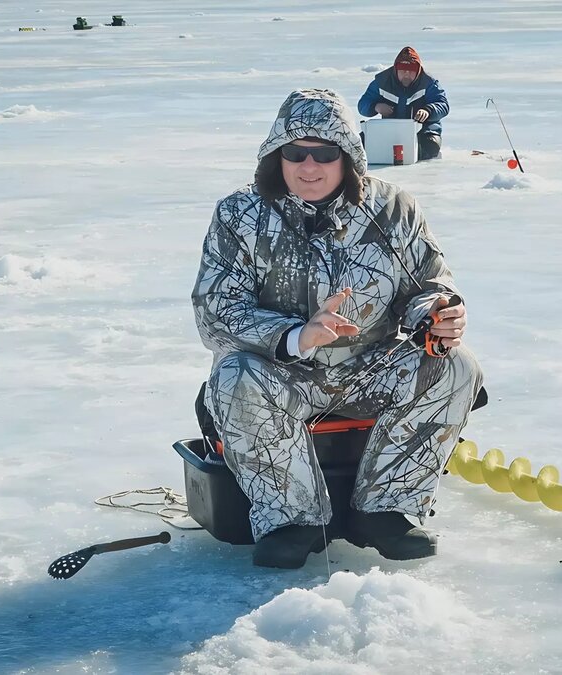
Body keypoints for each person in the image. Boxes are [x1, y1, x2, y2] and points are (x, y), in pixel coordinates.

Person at [192, 89, 482, 569]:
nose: (309, 166)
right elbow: (215, 309)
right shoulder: (238, 215)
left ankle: (386, 510)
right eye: (295, 152)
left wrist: (440, 312)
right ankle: (291, 520)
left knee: (457, 367)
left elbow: (429, 282)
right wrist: (296, 336)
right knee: (233, 376)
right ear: (276, 155)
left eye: (325, 153)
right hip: (279, 372)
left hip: (371, 366)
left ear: (348, 155)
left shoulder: (393, 210)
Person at [358, 46, 449, 161]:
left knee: (431, 146)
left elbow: (443, 104)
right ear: (395, 69)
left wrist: (428, 110)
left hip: (422, 131)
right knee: (359, 144)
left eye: (411, 70)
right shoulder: (382, 81)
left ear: (418, 71)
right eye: (403, 70)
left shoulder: (429, 83)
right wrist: (375, 107)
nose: (406, 74)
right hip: (390, 130)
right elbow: (362, 104)